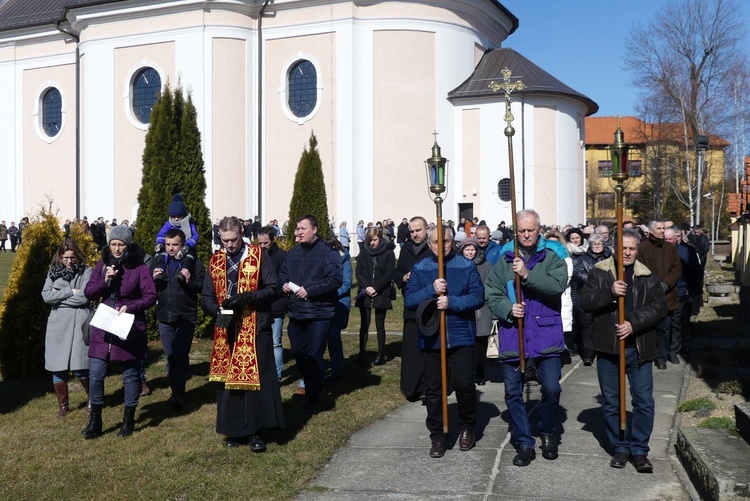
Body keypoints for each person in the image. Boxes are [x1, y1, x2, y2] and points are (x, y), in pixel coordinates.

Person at [485, 209, 568, 466]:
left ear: (539, 229)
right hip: (514, 334)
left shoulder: (552, 256)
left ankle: (547, 432)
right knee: (512, 393)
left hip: (546, 334)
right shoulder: (504, 260)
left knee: (552, 388)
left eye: (531, 230)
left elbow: (558, 285)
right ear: (515, 231)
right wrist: (508, 309)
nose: (527, 234)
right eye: (522, 230)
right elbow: (492, 293)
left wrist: (527, 276)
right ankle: (524, 441)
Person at [580, 228, 667, 473]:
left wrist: (633, 323)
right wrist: (609, 293)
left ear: (637, 250)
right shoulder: (600, 272)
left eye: (631, 248)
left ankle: (639, 450)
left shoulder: (646, 275)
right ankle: (620, 446)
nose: (627, 253)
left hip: (638, 349)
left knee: (643, 402)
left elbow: (659, 307)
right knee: (611, 402)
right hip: (608, 349)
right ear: (615, 249)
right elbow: (586, 302)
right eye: (623, 248)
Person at [201, 216, 285, 449]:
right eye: (224, 240)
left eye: (233, 239)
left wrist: (246, 298)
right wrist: (215, 310)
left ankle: (256, 431)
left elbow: (273, 288)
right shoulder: (216, 260)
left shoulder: (258, 256)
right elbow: (206, 296)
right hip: (227, 328)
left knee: (256, 381)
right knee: (230, 383)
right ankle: (234, 430)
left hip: (255, 324)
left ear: (241, 234)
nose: (229, 244)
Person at [404, 225, 484, 458]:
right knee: (434, 390)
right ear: (429, 245)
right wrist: (431, 289)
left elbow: (478, 297)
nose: (442, 246)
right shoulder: (421, 267)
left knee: (463, 385)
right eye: (437, 242)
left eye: (446, 241)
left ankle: (467, 426)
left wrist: (453, 302)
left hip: (460, 336)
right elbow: (410, 300)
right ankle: (438, 436)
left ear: (453, 242)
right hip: (432, 338)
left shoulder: (465, 265)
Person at [82, 225, 157, 439]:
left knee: (130, 375)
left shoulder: (140, 267)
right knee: (96, 373)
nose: (116, 249)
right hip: (103, 326)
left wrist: (130, 307)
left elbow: (150, 296)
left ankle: (128, 419)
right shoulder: (102, 264)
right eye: (113, 244)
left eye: (121, 245)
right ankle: (95, 420)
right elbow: (89, 292)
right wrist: (105, 281)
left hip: (129, 326)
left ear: (128, 245)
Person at [279, 215, 343, 414]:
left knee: (314, 355)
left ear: (314, 229)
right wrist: (283, 283)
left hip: (319, 313)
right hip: (297, 312)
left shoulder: (328, 253)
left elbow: (335, 279)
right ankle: (311, 383)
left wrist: (310, 289)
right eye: (297, 228)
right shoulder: (293, 253)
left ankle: (313, 397)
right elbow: (283, 272)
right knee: (299, 353)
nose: (298, 232)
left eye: (302, 228)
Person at [150, 228, 205, 409]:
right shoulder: (159, 261)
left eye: (175, 245)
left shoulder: (192, 261)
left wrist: (189, 283)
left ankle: (178, 392)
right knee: (170, 355)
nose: (171, 248)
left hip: (185, 315)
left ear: (183, 245)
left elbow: (203, 285)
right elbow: (148, 286)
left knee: (181, 355)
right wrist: (153, 277)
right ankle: (175, 386)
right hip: (165, 316)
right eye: (168, 245)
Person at [42, 239, 93, 418]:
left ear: (77, 255)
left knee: (80, 366)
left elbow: (85, 297)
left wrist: (59, 294)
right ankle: (63, 406)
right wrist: (71, 291)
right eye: (65, 257)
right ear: (60, 256)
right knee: (57, 365)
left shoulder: (87, 271)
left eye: (72, 257)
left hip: (80, 320)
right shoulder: (53, 272)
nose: (69, 261)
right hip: (57, 323)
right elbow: (47, 296)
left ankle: (92, 400)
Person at [392, 216, 432, 401]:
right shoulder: (406, 248)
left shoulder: (433, 248)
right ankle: (410, 387)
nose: (415, 234)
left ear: (426, 229)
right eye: (412, 231)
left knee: (427, 349)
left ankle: (426, 387)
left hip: (429, 306)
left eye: (419, 230)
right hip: (410, 305)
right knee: (411, 348)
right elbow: (397, 271)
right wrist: (404, 278)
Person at [637, 220, 681, 369]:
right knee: (648, 328)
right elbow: (639, 269)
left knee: (664, 328)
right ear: (650, 231)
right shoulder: (642, 248)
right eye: (659, 228)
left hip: (667, 296)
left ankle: (661, 357)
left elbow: (676, 269)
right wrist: (651, 286)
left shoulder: (670, 248)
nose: (662, 231)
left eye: (664, 228)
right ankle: (647, 354)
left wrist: (666, 283)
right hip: (647, 295)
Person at [355, 226, 396, 366]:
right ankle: (362, 353)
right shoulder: (363, 253)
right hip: (365, 292)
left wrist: (376, 287)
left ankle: (380, 354)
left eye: (374, 240)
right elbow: (359, 272)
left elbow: (389, 273)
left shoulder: (389, 253)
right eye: (369, 240)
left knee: (380, 324)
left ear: (380, 238)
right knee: (364, 324)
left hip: (381, 293)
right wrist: (366, 287)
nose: (372, 243)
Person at [571, 232, 611, 365]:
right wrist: (594, 281)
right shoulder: (583, 259)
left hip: (605, 295)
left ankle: (602, 350)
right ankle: (588, 353)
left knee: (602, 323)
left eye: (599, 243)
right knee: (586, 325)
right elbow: (578, 273)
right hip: (587, 295)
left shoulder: (609, 257)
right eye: (594, 244)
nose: (597, 246)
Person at [457, 238, 493, 385]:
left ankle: (480, 372)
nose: (470, 252)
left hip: (482, 308)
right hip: (465, 307)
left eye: (472, 249)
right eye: (467, 249)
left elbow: (491, 286)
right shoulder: (457, 265)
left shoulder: (486, 265)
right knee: (466, 344)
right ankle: (467, 373)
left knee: (480, 343)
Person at [665, 226, 702, 362]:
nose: (668, 241)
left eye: (671, 239)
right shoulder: (660, 251)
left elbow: (695, 272)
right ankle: (663, 351)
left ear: (677, 238)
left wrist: (692, 290)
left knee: (677, 322)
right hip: (663, 292)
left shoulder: (687, 251)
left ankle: (674, 350)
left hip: (681, 291)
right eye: (666, 239)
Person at [256, 226, 288, 383]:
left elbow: (282, 281)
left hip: (276, 304)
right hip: (259, 304)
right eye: (259, 243)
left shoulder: (281, 257)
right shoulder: (255, 256)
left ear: (273, 240)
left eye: (265, 243)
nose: (262, 246)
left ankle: (277, 375)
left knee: (276, 341)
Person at [324, 234, 352, 381]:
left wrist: (330, 293)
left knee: (334, 334)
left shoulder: (344, 260)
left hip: (339, 302)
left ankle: (337, 367)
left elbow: (347, 284)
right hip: (324, 302)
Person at [155, 193, 199, 266]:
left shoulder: (188, 223)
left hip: (186, 248)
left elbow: (194, 236)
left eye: (178, 216)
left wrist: (188, 246)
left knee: (189, 259)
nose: (176, 219)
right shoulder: (168, 224)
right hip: (171, 251)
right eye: (174, 216)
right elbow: (161, 235)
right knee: (161, 257)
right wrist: (160, 243)